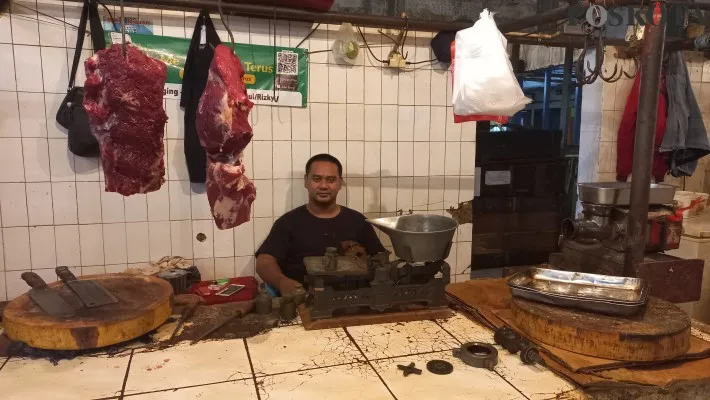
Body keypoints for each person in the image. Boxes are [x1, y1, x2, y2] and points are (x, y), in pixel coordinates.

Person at [255, 153, 386, 295]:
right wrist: (281, 282)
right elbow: (265, 261)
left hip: (352, 299)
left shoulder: (358, 221)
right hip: (303, 300)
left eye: (331, 180)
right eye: (317, 179)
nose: (323, 186)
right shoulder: (288, 223)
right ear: (306, 181)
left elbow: (380, 258)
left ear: (339, 183)